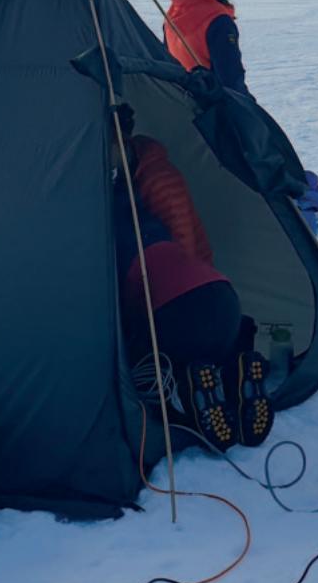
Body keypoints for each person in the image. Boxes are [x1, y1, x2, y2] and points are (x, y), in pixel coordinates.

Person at [109, 105, 270, 450]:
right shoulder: (139, 200)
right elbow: (188, 250)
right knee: (208, 342)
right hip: (221, 295)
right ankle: (238, 367)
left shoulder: (113, 208)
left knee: (152, 359)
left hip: (178, 310)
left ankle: (192, 388)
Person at [165, 0, 247, 95]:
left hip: (181, 102)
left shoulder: (174, 11)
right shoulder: (219, 21)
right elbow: (231, 81)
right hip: (209, 108)